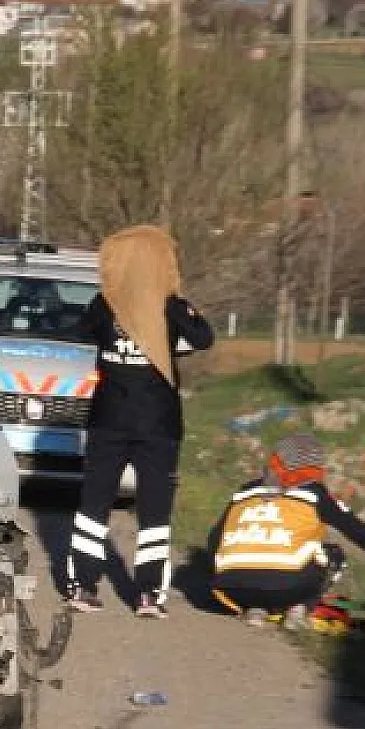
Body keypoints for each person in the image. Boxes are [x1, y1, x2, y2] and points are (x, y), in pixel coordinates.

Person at [65, 225, 215, 618]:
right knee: (154, 510)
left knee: (93, 503)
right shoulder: (170, 306)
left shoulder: (104, 303)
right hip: (159, 425)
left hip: (107, 419)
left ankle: (81, 584)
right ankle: (148, 594)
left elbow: (81, 332)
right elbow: (203, 338)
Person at [209, 433, 365, 630]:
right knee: (333, 554)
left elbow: (214, 540)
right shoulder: (314, 495)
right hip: (286, 587)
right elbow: (360, 533)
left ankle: (255, 608)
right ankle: (299, 608)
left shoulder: (246, 491)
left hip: (229, 589)